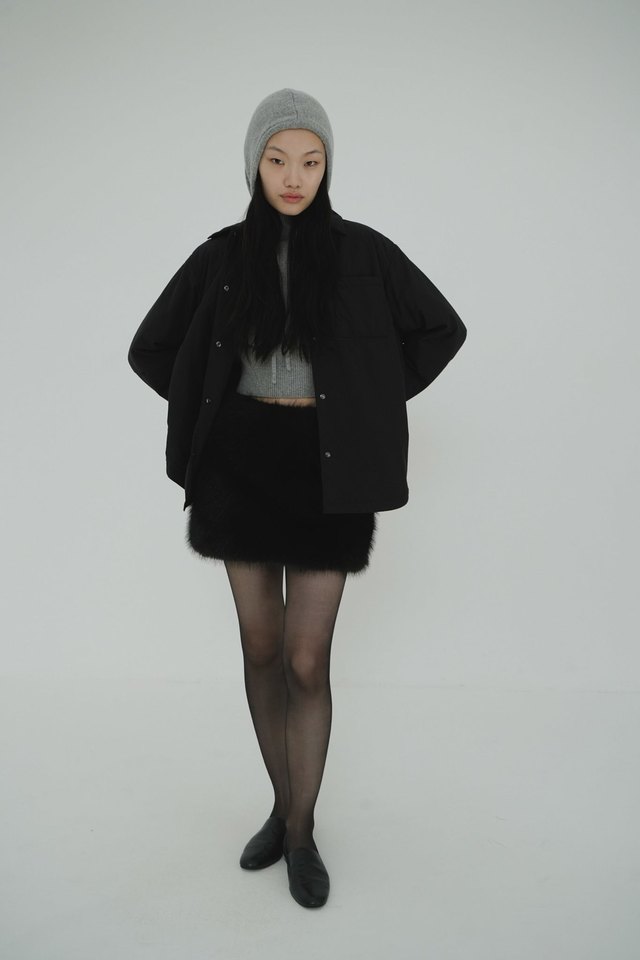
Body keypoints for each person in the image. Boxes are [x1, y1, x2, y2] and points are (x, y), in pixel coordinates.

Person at [127, 88, 467, 909]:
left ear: (327, 168)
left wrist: (365, 399)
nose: (294, 177)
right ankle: (283, 813)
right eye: (278, 160)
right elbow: (152, 348)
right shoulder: (220, 256)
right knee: (261, 648)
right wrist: (207, 404)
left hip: (328, 466)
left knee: (307, 659)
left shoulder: (363, 254)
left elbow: (441, 329)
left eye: (311, 161)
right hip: (239, 465)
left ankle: (303, 833)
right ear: (255, 164)